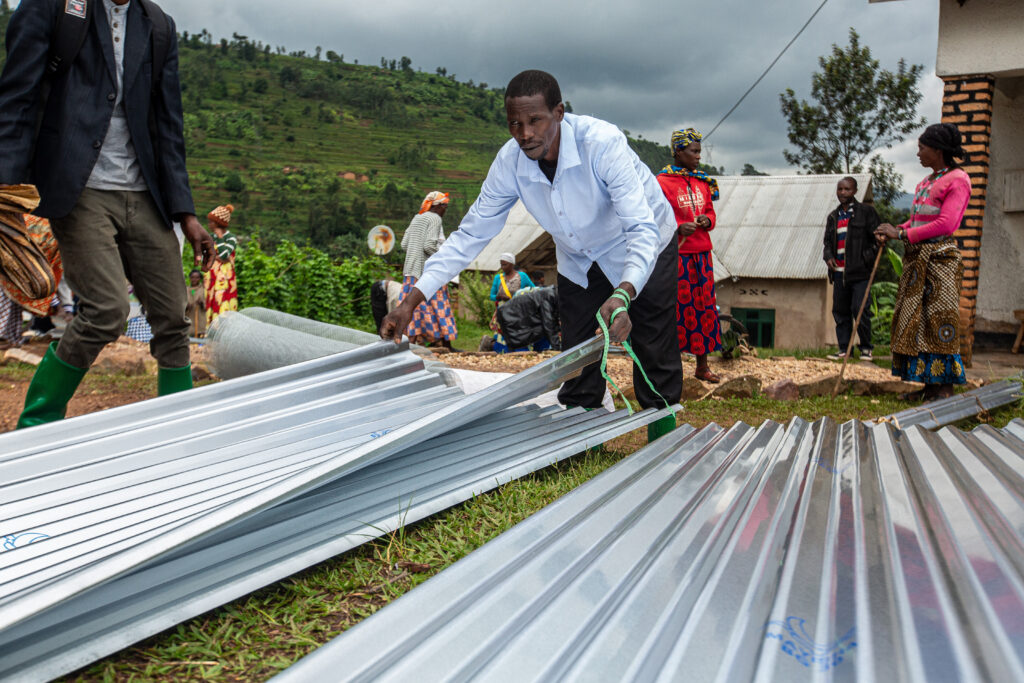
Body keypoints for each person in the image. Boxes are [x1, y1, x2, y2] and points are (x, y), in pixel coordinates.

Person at [381, 70, 681, 442]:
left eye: (535, 120)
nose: (525, 134)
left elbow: (640, 227)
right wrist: (412, 300)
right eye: (515, 124)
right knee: (577, 351)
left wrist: (624, 293)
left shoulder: (601, 143)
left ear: (558, 112)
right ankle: (580, 436)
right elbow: (471, 235)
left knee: (654, 344)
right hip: (579, 259)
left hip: (643, 244)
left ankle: (664, 441)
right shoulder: (510, 162)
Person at [0, 0, 216, 428]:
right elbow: (16, 100)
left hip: (145, 194)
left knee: (173, 317)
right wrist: (5, 192)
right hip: (78, 189)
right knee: (105, 310)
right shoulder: (53, 9)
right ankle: (36, 424)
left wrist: (185, 213)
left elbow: (167, 125)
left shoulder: (157, 26)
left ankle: (178, 431)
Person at [875, 123, 971, 402]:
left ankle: (945, 389)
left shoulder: (958, 179)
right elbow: (919, 221)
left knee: (940, 321)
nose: (918, 153)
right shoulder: (926, 182)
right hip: (919, 260)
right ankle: (929, 386)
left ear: (938, 150)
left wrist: (902, 234)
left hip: (940, 260)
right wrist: (894, 229)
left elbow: (946, 223)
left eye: (922, 148)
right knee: (921, 321)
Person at [656, 128, 722, 383]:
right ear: (678, 151)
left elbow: (710, 212)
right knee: (679, 309)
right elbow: (656, 218)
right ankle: (673, 367)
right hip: (678, 255)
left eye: (699, 152)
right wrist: (676, 227)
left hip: (702, 255)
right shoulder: (661, 183)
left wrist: (707, 220)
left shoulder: (703, 182)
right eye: (693, 151)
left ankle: (702, 366)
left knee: (704, 308)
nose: (698, 157)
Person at [823, 177, 880, 361]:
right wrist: (829, 256)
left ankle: (866, 348)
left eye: (847, 189)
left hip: (860, 272)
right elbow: (827, 243)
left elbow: (877, 240)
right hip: (839, 273)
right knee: (840, 311)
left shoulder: (866, 213)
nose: (842, 193)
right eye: (840, 189)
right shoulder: (833, 216)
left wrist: (867, 259)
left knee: (860, 309)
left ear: (855, 191)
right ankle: (844, 349)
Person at [398, 191, 458, 347]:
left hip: (410, 271)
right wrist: (444, 259)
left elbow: (404, 245)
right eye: (445, 206)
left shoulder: (417, 218)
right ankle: (444, 343)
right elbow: (429, 246)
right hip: (428, 272)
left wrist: (414, 252)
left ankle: (414, 342)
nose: (445, 210)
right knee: (439, 305)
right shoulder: (435, 218)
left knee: (414, 308)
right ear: (438, 206)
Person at [487, 252, 539, 352]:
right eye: (501, 264)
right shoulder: (498, 278)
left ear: (512, 264)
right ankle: (501, 350)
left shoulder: (522, 276)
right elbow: (491, 296)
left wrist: (519, 297)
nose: (502, 267)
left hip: (519, 313)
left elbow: (534, 290)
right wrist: (498, 297)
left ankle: (521, 351)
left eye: (505, 264)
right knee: (503, 334)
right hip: (503, 312)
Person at [204, 204, 238, 326]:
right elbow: (207, 255)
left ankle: (223, 332)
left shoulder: (231, 238)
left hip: (224, 277)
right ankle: (210, 332)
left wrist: (219, 238)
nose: (209, 225)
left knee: (223, 301)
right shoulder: (210, 237)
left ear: (219, 223)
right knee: (210, 301)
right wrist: (217, 258)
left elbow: (224, 256)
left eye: (211, 222)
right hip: (211, 276)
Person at [186, 269, 206, 337]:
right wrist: (186, 306)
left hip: (200, 316)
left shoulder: (203, 289)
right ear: (190, 278)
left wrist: (201, 303)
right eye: (192, 277)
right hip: (189, 316)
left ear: (200, 278)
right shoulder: (186, 290)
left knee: (200, 334)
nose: (194, 279)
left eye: (197, 277)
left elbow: (207, 304)